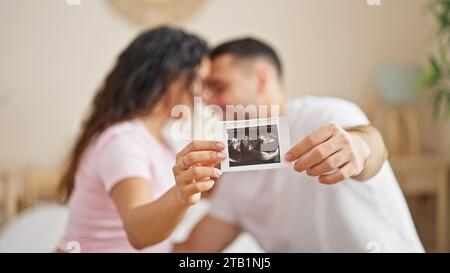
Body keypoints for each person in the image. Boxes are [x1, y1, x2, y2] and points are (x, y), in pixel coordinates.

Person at [175, 38, 424, 252]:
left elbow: (372, 144)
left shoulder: (322, 115)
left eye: (219, 87)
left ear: (262, 79)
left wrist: (359, 147)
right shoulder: (242, 157)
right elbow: (193, 249)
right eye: (207, 92)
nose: (209, 102)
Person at [57, 27, 225, 252]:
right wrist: (181, 193)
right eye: (201, 81)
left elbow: (202, 191)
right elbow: (138, 233)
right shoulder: (123, 141)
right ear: (171, 75)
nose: (206, 95)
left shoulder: (161, 144)